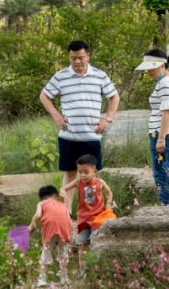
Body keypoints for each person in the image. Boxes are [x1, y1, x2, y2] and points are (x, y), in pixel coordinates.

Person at [39, 40, 121, 235]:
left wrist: (108, 119)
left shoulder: (99, 75)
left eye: (81, 58)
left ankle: (94, 215)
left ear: (88, 56)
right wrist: (56, 115)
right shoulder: (61, 76)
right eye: (73, 58)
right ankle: (66, 214)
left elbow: (114, 96)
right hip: (68, 135)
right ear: (69, 57)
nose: (77, 61)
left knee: (92, 177)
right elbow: (44, 96)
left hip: (92, 136)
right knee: (69, 173)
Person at [135, 49, 169, 205]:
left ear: (162, 65)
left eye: (152, 67)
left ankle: (167, 210)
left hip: (162, 134)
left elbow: (167, 111)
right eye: (147, 68)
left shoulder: (165, 83)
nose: (148, 71)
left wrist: (161, 139)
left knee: (161, 175)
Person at [60, 154, 115, 265]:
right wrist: (62, 191)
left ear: (95, 172)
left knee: (96, 242)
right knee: (83, 244)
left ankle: (96, 266)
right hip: (83, 219)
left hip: (98, 218)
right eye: (80, 172)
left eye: (86, 172)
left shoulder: (99, 182)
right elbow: (64, 187)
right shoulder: (78, 182)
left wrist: (108, 204)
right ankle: (82, 269)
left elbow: (109, 191)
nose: (82, 175)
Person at [28, 185, 72, 287]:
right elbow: (70, 220)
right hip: (64, 229)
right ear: (58, 196)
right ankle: (64, 278)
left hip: (49, 229)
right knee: (63, 253)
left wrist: (31, 226)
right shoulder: (63, 205)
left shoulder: (42, 203)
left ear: (42, 198)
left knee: (46, 251)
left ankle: (42, 279)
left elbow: (38, 215)